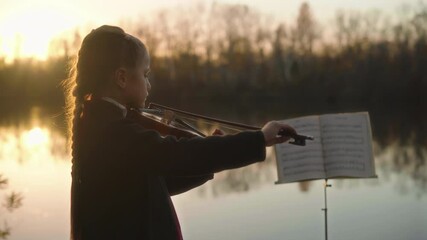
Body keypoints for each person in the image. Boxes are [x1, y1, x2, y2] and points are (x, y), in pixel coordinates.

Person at [63, 25, 296, 240]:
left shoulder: (102, 123)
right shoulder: (113, 132)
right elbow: (176, 154)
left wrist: (212, 160)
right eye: (145, 74)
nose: (149, 84)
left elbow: (155, 182)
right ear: (122, 78)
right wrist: (259, 138)